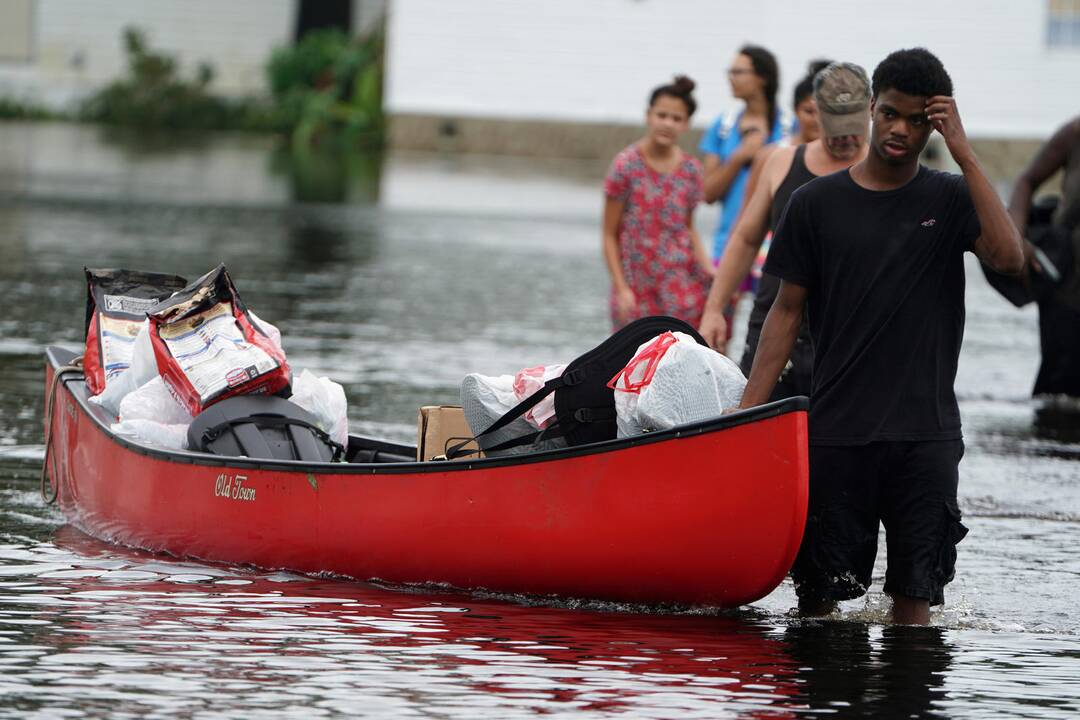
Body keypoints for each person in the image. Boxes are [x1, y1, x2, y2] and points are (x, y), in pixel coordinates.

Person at [738, 48, 1024, 624]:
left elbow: (1010, 258)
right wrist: (744, 420)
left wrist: (966, 155)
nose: (900, 130)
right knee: (817, 608)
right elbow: (784, 314)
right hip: (837, 434)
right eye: (891, 114)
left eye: (919, 121)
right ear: (872, 108)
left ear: (935, 123)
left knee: (914, 610)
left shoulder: (948, 196)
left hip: (927, 438)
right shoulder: (813, 204)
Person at [699, 61, 871, 405]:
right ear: (813, 113)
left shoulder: (884, 173)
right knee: (753, 434)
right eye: (835, 126)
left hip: (848, 340)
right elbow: (746, 239)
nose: (844, 139)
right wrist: (714, 308)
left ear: (871, 112)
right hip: (775, 329)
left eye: (852, 126)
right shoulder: (781, 162)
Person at [602, 75, 712, 329]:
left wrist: (708, 270)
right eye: (662, 115)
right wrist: (621, 288)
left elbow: (688, 227)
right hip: (637, 287)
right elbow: (609, 234)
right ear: (648, 115)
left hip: (680, 284)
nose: (668, 124)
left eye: (677, 119)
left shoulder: (691, 169)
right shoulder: (625, 165)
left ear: (686, 124)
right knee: (633, 360)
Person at [699, 46, 787, 338]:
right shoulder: (723, 128)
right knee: (716, 333)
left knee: (772, 328)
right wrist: (739, 156)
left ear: (762, 77)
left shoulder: (790, 128)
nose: (731, 79)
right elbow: (708, 192)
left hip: (776, 248)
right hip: (730, 244)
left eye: (738, 72)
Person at [1006, 115, 1080, 396]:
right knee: (1056, 397)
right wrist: (1015, 236)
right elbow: (1026, 181)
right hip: (1067, 286)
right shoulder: (1074, 133)